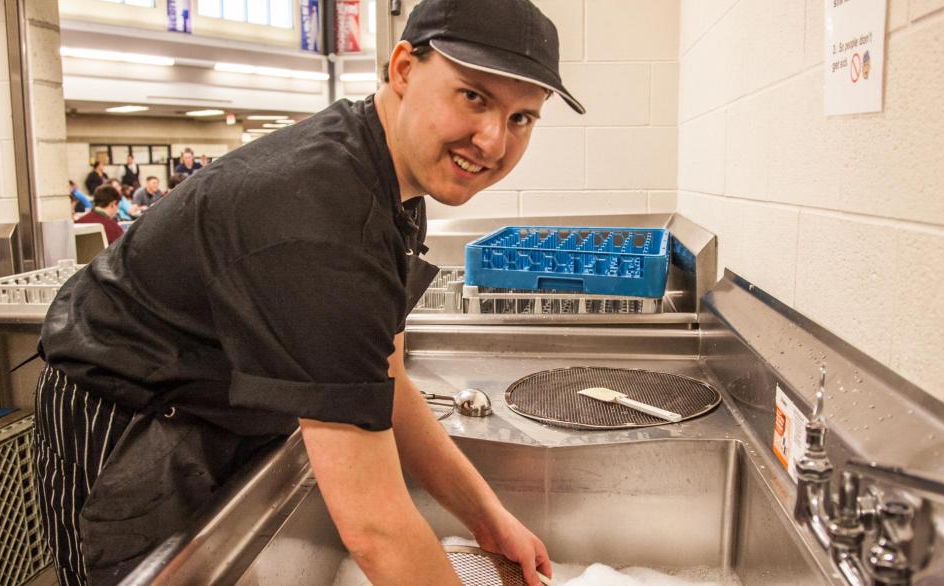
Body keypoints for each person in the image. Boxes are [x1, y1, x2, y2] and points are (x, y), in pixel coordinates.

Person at [33, 0, 583, 583]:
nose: (494, 142)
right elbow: (375, 530)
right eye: (473, 96)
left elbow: (387, 378)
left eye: (521, 118)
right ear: (402, 68)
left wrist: (488, 519)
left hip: (220, 411)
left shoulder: (394, 184)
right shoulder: (316, 220)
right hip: (130, 421)